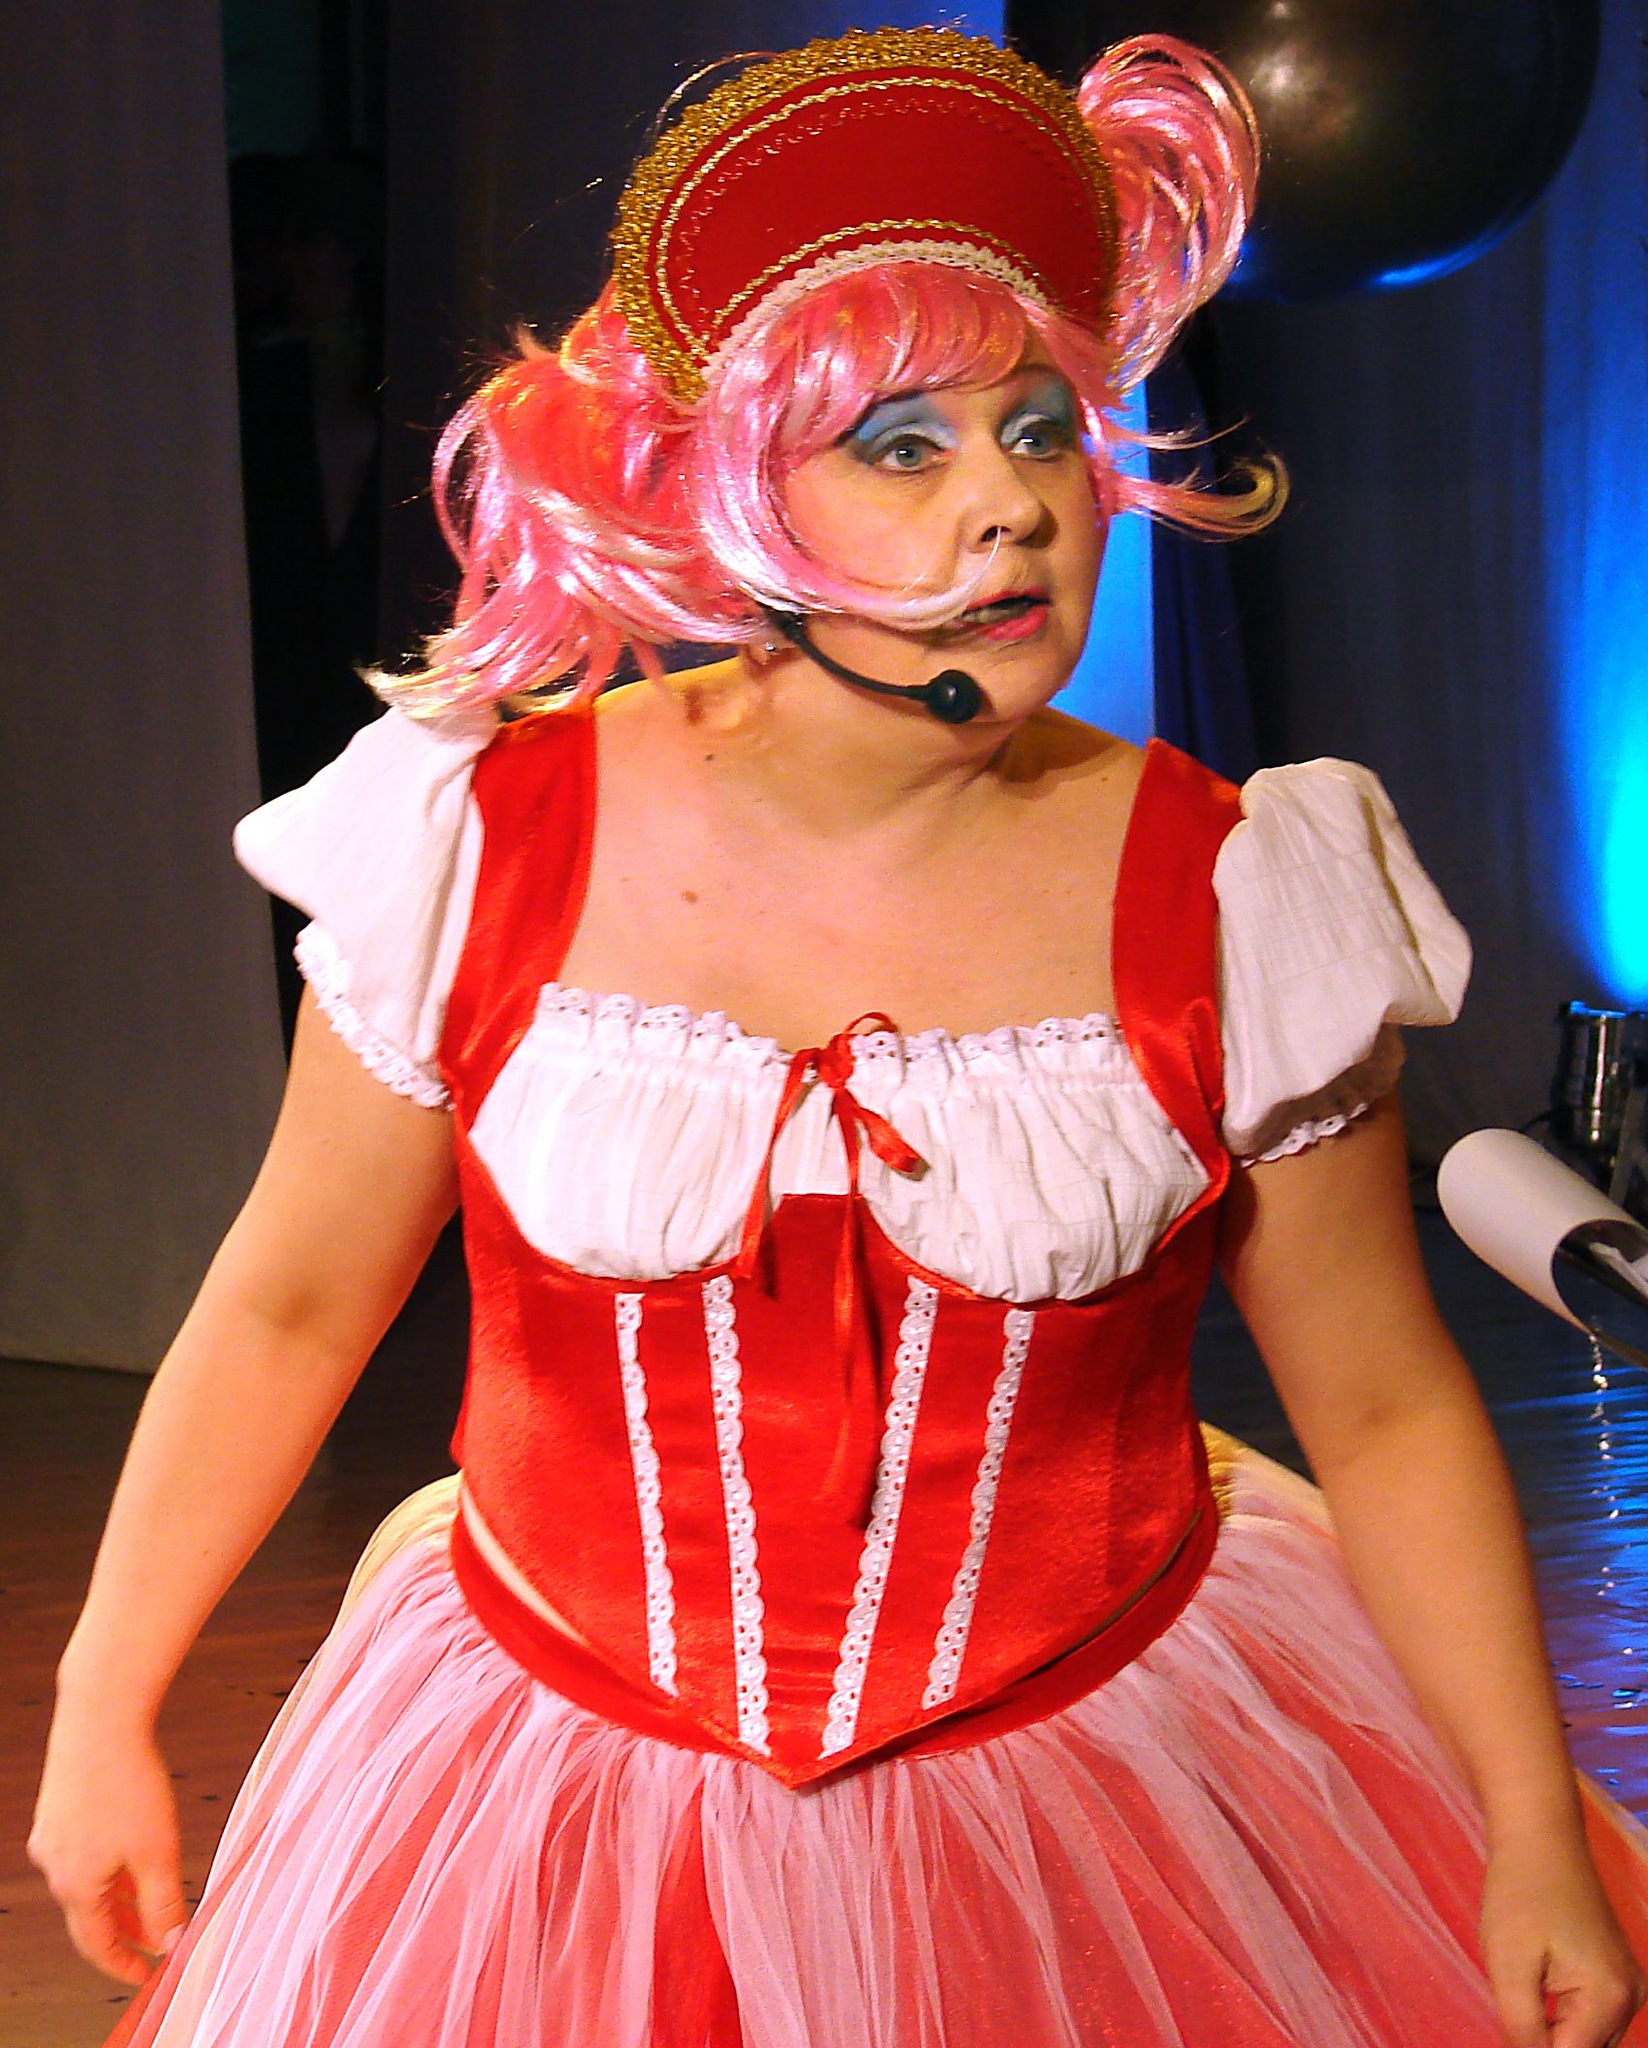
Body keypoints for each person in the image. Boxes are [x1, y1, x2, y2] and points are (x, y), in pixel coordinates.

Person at [27, 27, 1648, 2048]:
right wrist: (103, 1701)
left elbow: (1389, 1408)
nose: (1010, 507)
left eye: (1041, 431)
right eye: (900, 447)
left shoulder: (1241, 893)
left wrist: (1524, 1818)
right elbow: (285, 1306)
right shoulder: (478, 841)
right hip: (543, 1768)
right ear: (736, 493)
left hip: (1095, 1766)